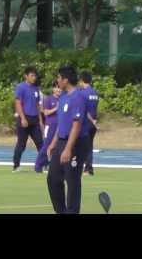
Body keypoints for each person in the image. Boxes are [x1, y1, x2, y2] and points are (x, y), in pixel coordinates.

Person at [46, 65, 91, 214]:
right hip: (62, 142)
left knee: (72, 181)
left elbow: (76, 125)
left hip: (76, 144)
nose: (57, 80)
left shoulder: (78, 97)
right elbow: (61, 123)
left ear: (65, 80)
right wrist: (53, 144)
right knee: (52, 179)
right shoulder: (63, 97)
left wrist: (68, 149)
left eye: (59, 78)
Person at [13, 66, 44, 173]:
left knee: (40, 143)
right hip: (24, 118)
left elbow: (37, 106)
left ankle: (43, 165)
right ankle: (16, 166)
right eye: (32, 75)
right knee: (21, 144)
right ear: (26, 76)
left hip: (34, 119)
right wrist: (22, 118)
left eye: (35, 75)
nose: (34, 77)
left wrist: (40, 121)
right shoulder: (21, 87)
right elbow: (18, 103)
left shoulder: (36, 89)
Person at [34, 81, 62, 173]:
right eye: (57, 88)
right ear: (53, 89)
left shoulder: (63, 99)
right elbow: (45, 112)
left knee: (58, 146)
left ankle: (50, 165)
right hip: (50, 125)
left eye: (60, 88)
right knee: (47, 145)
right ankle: (38, 165)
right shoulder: (49, 99)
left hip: (60, 126)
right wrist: (55, 108)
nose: (59, 90)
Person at [79, 72, 100, 176]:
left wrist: (91, 120)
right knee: (89, 146)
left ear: (82, 81)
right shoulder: (95, 93)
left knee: (81, 146)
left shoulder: (82, 93)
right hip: (93, 124)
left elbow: (84, 110)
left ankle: (86, 168)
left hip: (86, 123)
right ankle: (89, 168)